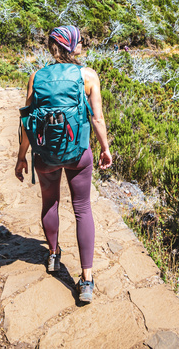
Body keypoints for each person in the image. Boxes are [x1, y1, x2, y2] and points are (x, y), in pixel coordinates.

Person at [15, 25, 113, 303]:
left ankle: (53, 256)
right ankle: (86, 279)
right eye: (80, 41)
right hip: (78, 153)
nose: (82, 43)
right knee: (82, 208)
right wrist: (105, 148)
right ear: (71, 46)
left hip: (45, 155)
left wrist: (22, 156)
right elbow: (97, 118)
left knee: (50, 204)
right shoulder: (88, 76)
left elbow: (27, 121)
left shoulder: (37, 76)